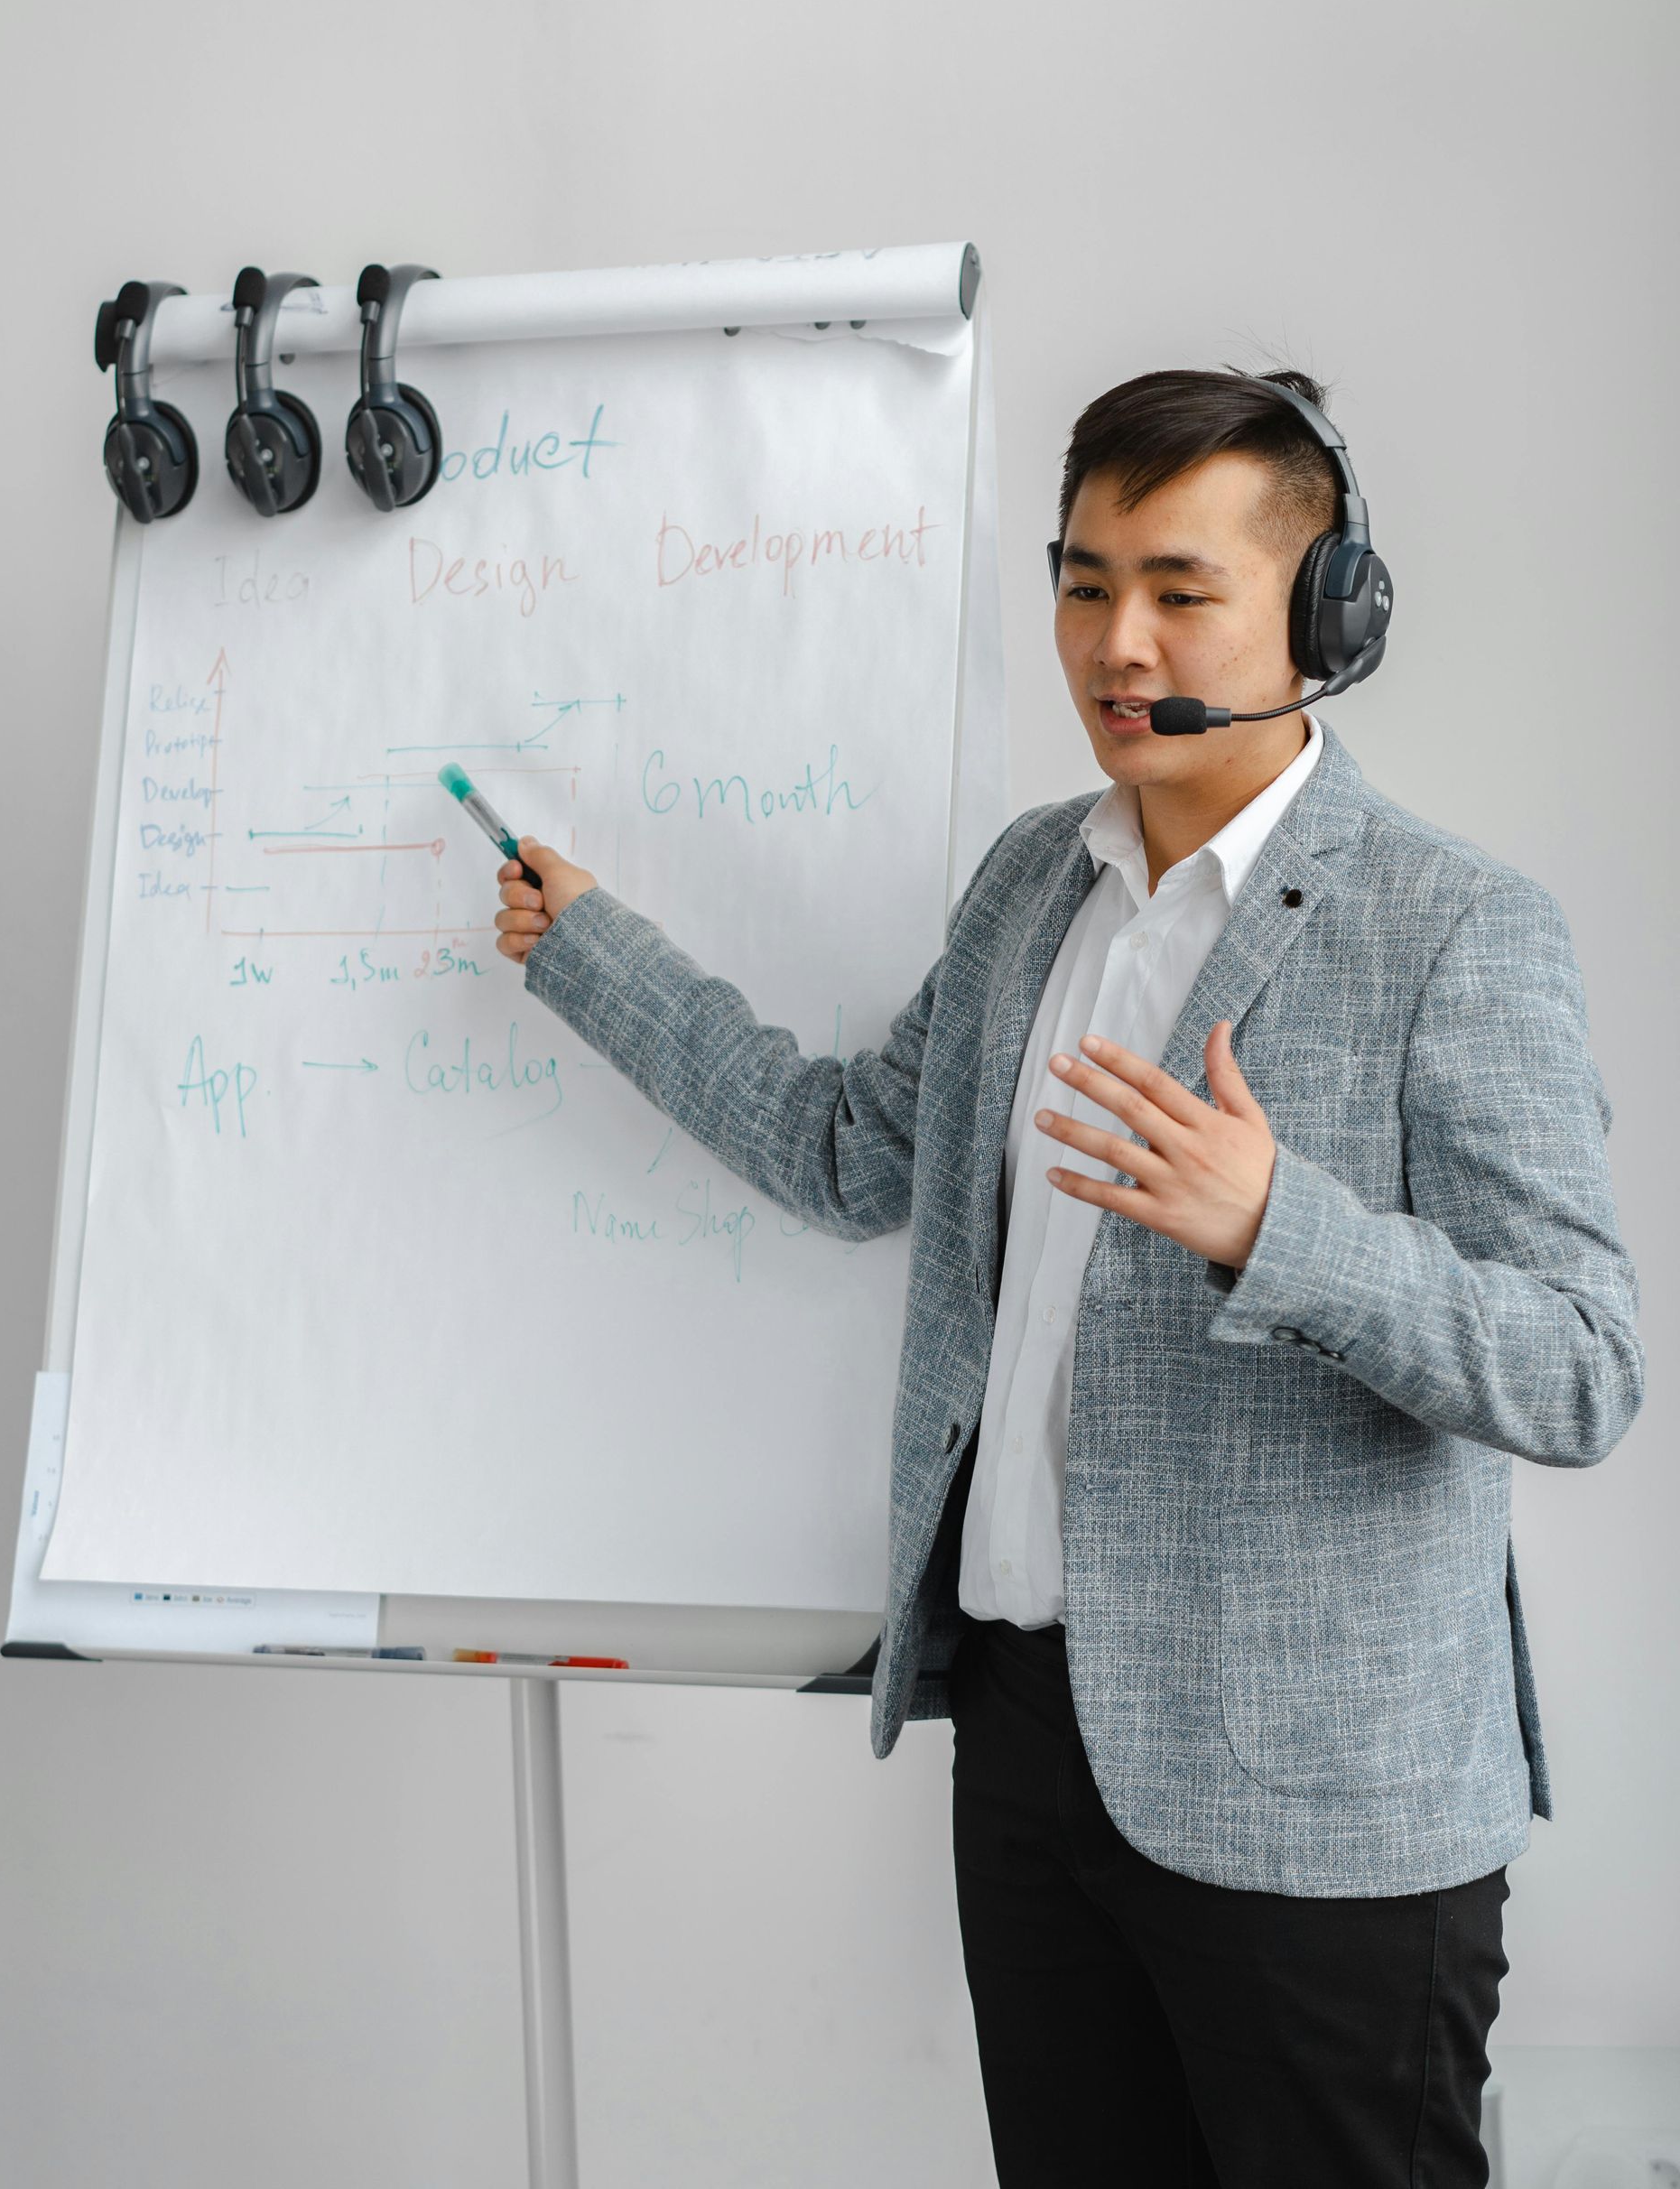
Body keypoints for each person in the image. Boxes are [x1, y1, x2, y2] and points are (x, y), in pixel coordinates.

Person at [492, 366, 1642, 2189]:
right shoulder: (1035, 884)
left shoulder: (1455, 928)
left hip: (1323, 1816)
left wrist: (1280, 1227)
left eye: (1180, 590)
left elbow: (1580, 1369)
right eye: (1086, 583)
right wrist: (594, 956)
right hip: (1035, 1753)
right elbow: (849, 1149)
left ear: (1326, 616)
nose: (1118, 643)